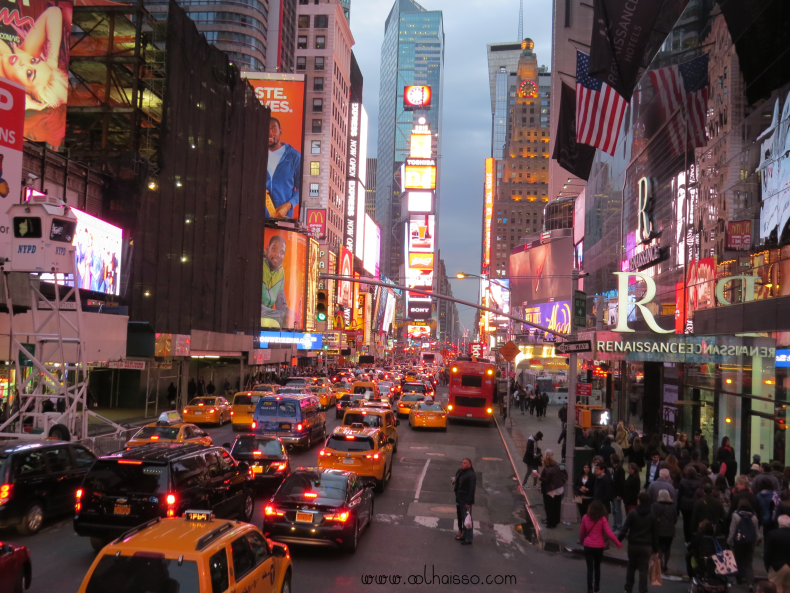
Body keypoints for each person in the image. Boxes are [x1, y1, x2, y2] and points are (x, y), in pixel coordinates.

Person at [0, 7, 69, 114]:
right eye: (33, 61)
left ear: (24, 91)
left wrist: (22, 103)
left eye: (28, 73)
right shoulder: (22, 54)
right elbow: (53, 12)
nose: (24, 61)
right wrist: (52, 60)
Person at [618, 492, 659, 593]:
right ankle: (643, 590)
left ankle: (628, 588)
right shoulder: (653, 516)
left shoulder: (632, 513)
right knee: (643, 570)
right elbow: (655, 534)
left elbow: (625, 529)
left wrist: (618, 540)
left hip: (633, 544)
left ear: (639, 501)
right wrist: (656, 549)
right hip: (646, 546)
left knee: (631, 567)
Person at [579, 500, 623, 593]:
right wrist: (618, 543)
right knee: (597, 567)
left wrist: (582, 541)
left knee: (589, 568)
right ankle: (597, 587)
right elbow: (609, 533)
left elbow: (582, 533)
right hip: (599, 546)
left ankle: (589, 588)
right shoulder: (602, 519)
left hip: (588, 545)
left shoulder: (585, 517)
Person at [266, 117, 301, 219]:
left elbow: (302, 188)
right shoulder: (254, 155)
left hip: (283, 220)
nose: (270, 133)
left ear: (280, 131)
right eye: (266, 129)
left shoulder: (294, 157)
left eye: (274, 129)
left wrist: (288, 205)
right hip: (255, 219)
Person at [728, 498, 760, 591]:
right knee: (748, 562)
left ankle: (739, 579)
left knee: (737, 560)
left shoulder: (736, 515)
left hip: (739, 542)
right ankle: (750, 583)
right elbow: (756, 530)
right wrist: (755, 541)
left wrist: (729, 540)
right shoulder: (754, 516)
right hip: (749, 542)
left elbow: (732, 529)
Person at [262, 234, 291, 328]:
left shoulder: (281, 271)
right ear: (267, 248)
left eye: (281, 252)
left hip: (268, 320)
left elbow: (281, 302)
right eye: (274, 249)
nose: (277, 255)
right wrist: (280, 315)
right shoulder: (258, 262)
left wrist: (294, 316)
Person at [539, 451, 567, 529]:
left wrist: (538, 476)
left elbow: (546, 480)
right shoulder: (557, 466)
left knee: (549, 507)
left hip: (550, 490)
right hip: (559, 489)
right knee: (557, 506)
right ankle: (556, 521)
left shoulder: (547, 469)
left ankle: (550, 523)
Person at [652, 489, 678, 572]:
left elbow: (653, 518)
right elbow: (675, 519)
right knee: (667, 548)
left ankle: (659, 563)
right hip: (670, 530)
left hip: (659, 529)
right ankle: (665, 564)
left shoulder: (655, 505)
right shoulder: (673, 506)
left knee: (659, 547)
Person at [764, 515, 790, 593]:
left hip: (776, 566)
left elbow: (767, 553)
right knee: (788, 588)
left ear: (779, 523)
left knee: (775, 588)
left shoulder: (772, 534)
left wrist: (767, 565)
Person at [453, 458, 476, 545]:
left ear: (469, 465)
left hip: (465, 500)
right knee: (463, 518)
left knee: (468, 520)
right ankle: (464, 535)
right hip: (459, 498)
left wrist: (468, 502)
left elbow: (471, 490)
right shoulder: (460, 471)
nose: (462, 464)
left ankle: (469, 538)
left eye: (465, 463)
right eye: (462, 462)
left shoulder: (471, 475)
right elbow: (457, 480)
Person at [679, 465, 702, 543]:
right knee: (695, 521)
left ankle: (687, 539)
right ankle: (694, 537)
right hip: (695, 503)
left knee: (686, 522)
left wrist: (678, 506)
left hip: (685, 504)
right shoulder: (699, 482)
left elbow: (680, 494)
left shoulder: (683, 481)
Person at [612, 454, 626, 532]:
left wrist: (620, 494)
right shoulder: (615, 469)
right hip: (614, 493)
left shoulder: (619, 469)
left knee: (617, 509)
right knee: (614, 509)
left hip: (617, 493)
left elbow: (621, 483)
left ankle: (619, 525)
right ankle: (615, 524)